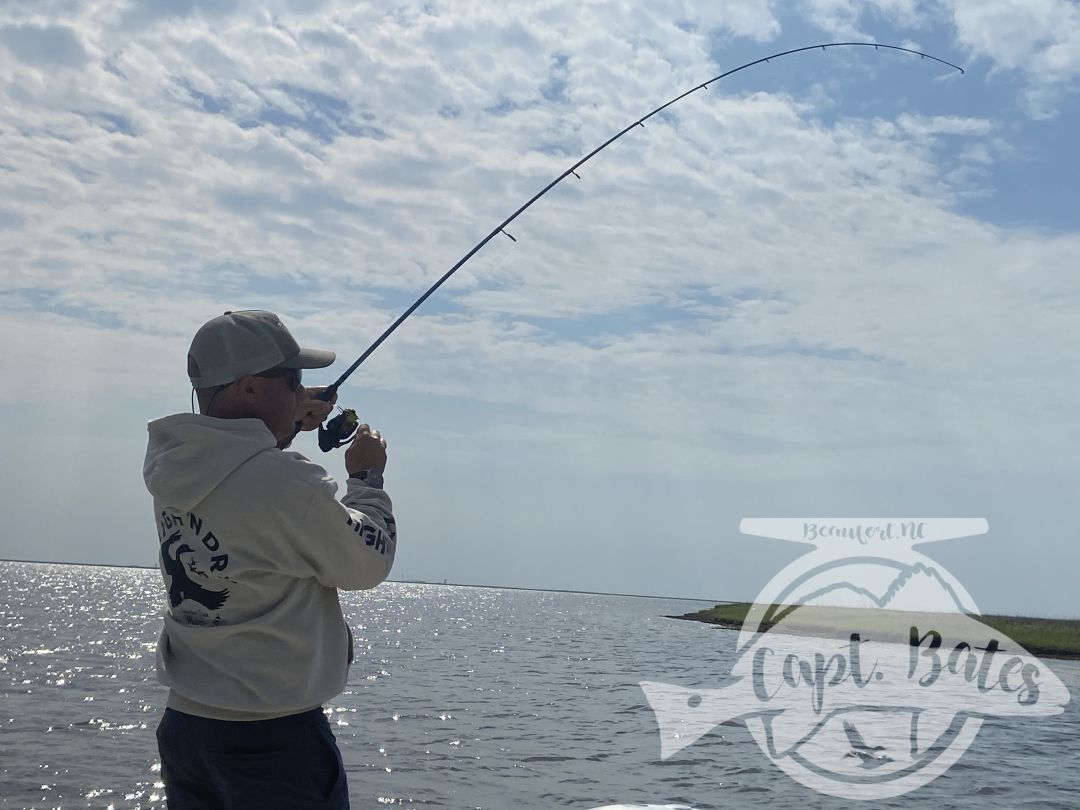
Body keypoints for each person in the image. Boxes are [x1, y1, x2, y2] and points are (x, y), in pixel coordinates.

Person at [143, 310, 397, 809]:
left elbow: (240, 475)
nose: (303, 391)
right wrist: (367, 480)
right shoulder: (287, 485)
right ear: (250, 388)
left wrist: (284, 422)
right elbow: (368, 564)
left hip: (188, 730)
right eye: (293, 380)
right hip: (273, 742)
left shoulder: (175, 464)